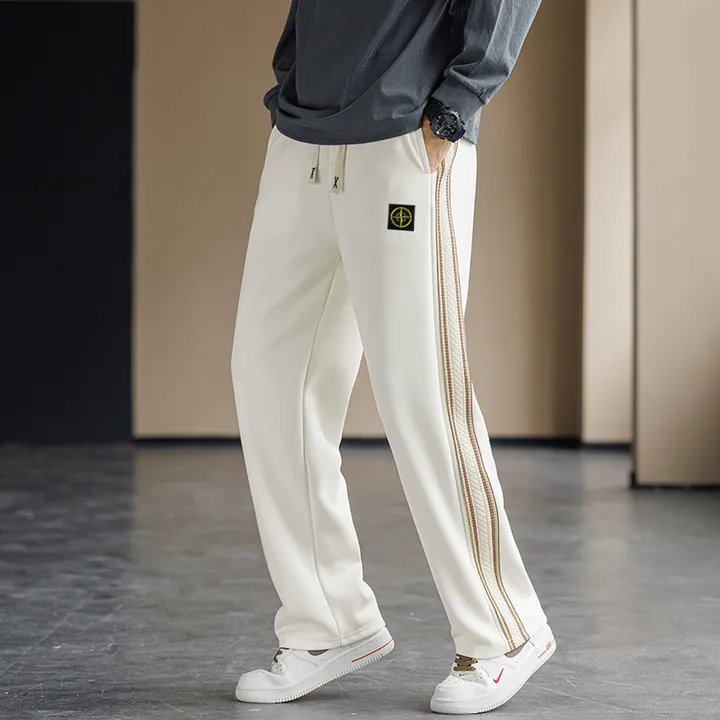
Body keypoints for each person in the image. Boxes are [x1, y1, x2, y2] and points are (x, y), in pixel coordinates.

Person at [231, 0, 553, 713]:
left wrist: (456, 106)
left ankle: (505, 631)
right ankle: (327, 623)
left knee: (420, 388)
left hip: (406, 135)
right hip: (304, 134)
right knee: (268, 376)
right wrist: (294, 75)